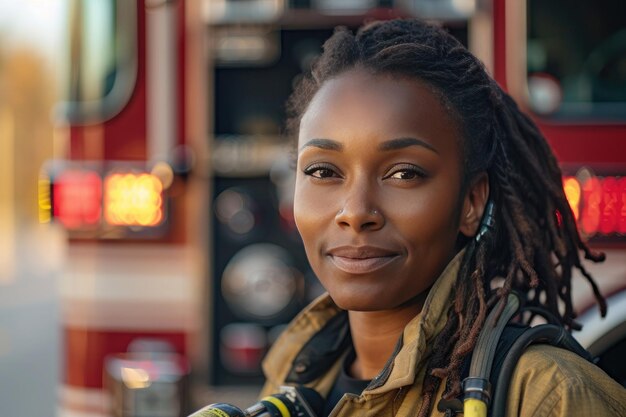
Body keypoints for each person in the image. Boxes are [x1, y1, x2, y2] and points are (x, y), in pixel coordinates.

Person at [258, 19, 626, 417]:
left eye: (404, 173)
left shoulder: (550, 397)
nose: (356, 212)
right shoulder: (290, 379)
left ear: (471, 202)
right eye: (323, 171)